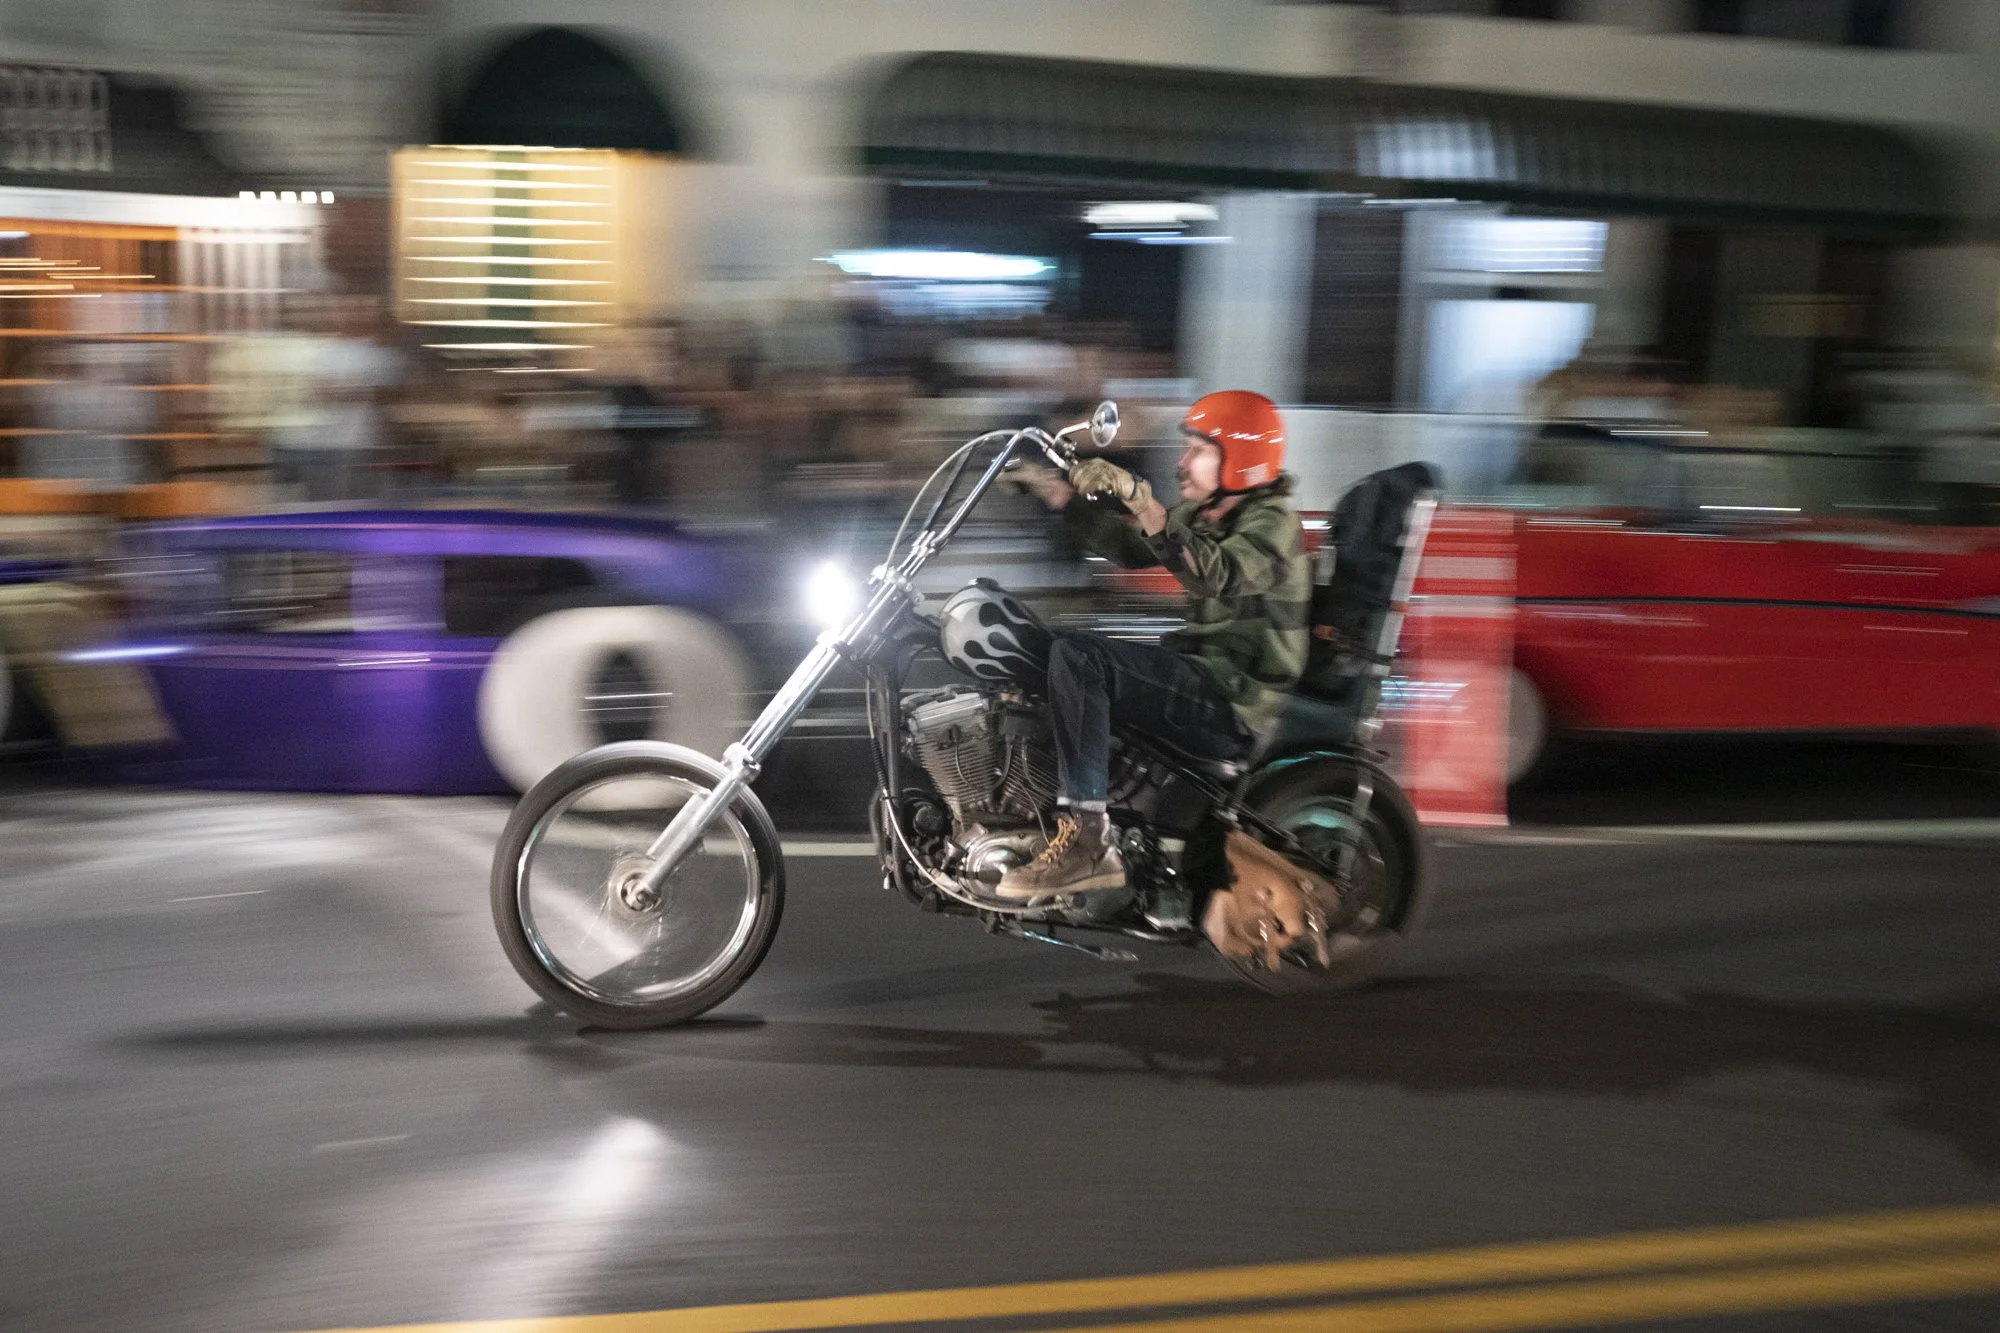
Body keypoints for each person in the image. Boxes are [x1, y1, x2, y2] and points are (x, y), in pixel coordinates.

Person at [999, 390, 1309, 902]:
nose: (1183, 461)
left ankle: (1088, 840)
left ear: (1243, 459)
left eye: (1200, 450)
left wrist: (1142, 499)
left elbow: (1217, 574)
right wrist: (1056, 494)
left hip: (1234, 700)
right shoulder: (1204, 512)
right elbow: (1130, 548)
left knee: (1081, 659)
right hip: (1204, 676)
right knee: (1047, 648)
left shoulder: (1273, 524)